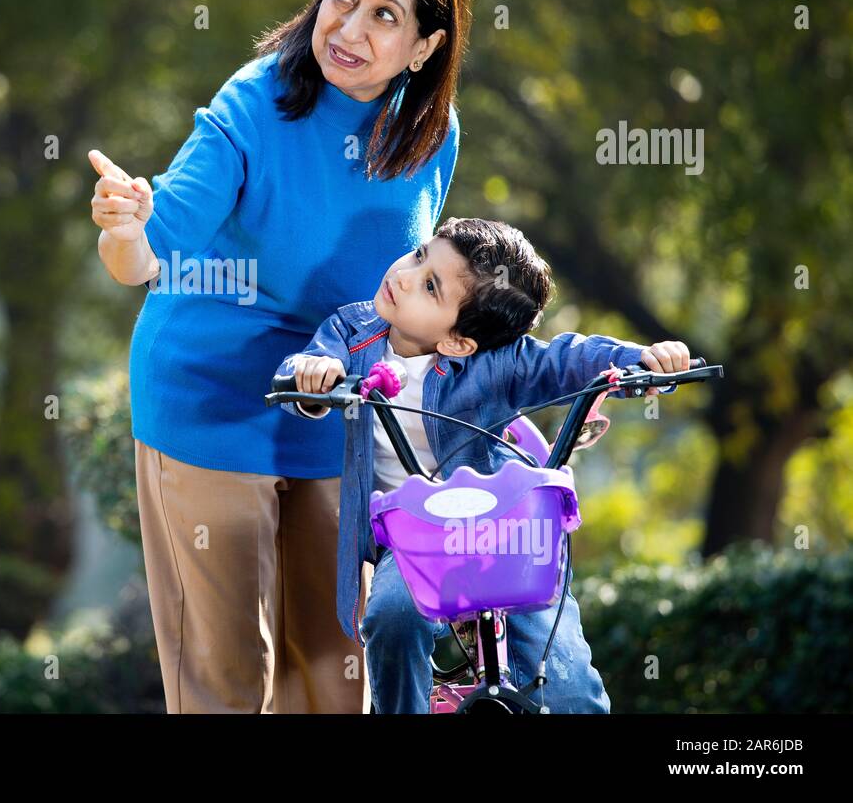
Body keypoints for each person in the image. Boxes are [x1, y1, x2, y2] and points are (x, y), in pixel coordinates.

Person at [88, 0, 472, 713]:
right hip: (212, 403)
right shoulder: (255, 103)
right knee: (228, 678)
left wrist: (515, 389)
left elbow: (420, 297)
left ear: (426, 46)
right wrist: (125, 229)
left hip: (333, 409)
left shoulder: (430, 134)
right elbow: (149, 253)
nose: (350, 28)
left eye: (385, 14)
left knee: (334, 676)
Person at [275, 216, 692, 712]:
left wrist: (644, 360)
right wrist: (315, 374)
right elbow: (303, 371)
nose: (404, 276)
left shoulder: (497, 363)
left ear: (459, 342)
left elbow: (568, 358)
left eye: (431, 286)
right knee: (392, 616)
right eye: (419, 255)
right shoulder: (353, 332)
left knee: (569, 687)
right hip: (414, 541)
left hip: (504, 536)